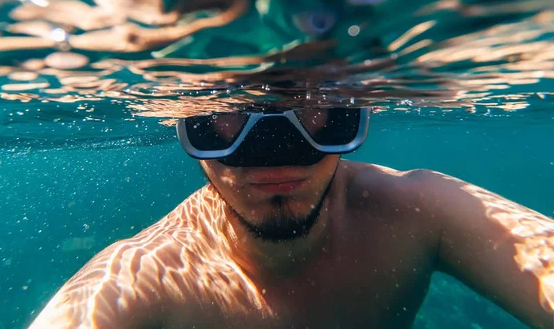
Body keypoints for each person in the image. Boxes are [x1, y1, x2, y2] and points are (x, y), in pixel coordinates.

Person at [29, 107, 554, 329]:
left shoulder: (421, 210)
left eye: (314, 112)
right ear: (186, 126)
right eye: (225, 117)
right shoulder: (140, 279)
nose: (273, 155)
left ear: (352, 111)